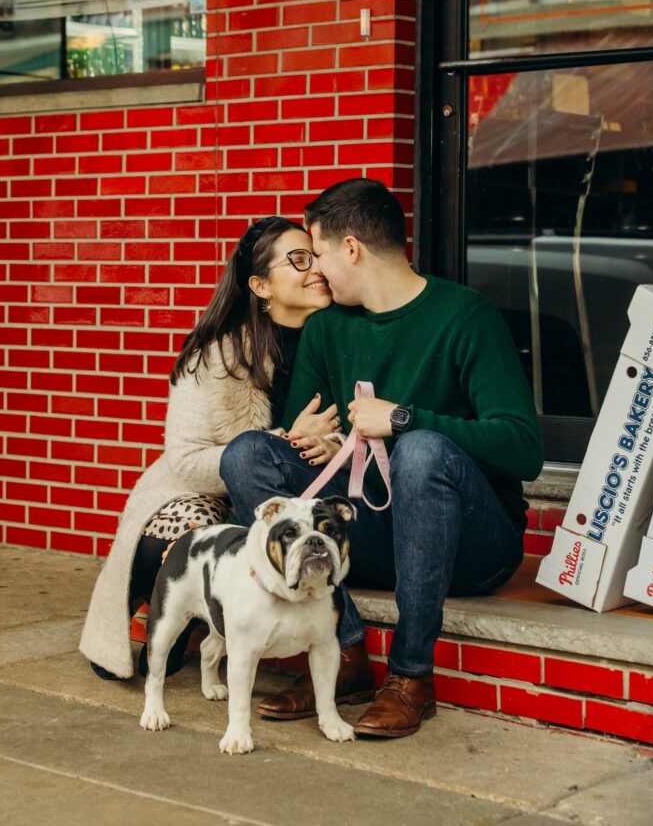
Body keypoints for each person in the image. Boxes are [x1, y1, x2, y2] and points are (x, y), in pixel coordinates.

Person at [220, 178, 544, 738]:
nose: (316, 270)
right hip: (374, 535)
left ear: (352, 249)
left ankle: (411, 677)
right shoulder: (327, 328)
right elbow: (310, 435)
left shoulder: (466, 316)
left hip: (472, 546)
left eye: (318, 253)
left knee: (419, 450)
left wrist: (403, 420)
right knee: (248, 454)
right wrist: (305, 438)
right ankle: (344, 655)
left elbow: (524, 450)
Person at [80, 216, 343, 680]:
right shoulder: (218, 355)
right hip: (200, 493)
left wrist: (328, 441)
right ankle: (153, 596)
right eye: (298, 259)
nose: (315, 268)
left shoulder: (342, 339)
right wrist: (280, 443)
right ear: (260, 285)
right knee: (193, 531)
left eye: (316, 256)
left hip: (289, 499)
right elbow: (184, 462)